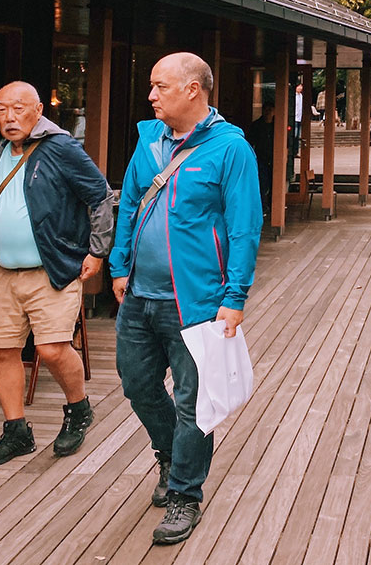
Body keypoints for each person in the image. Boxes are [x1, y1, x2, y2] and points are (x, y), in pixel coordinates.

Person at [110, 53, 263, 545]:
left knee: (195, 403)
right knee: (136, 385)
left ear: (192, 90)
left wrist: (234, 296)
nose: (151, 95)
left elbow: (244, 227)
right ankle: (171, 454)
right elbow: (131, 201)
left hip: (196, 301)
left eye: (160, 86)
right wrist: (119, 263)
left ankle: (184, 495)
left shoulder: (230, 149)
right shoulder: (149, 141)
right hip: (139, 294)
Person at [0, 81, 113, 467]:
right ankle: (16, 429)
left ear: (38, 111)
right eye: (2, 109)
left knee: (51, 348)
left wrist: (97, 251)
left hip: (52, 267)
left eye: (18, 108)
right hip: (3, 270)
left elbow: (100, 196)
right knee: (2, 351)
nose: (9, 117)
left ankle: (78, 408)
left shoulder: (62, 148)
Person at [248, 100, 276, 217]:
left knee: (274, 183)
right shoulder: (256, 125)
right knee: (262, 183)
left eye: (270, 110)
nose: (268, 112)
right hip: (260, 158)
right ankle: (262, 207)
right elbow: (250, 143)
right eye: (266, 110)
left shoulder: (277, 126)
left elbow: (286, 143)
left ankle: (273, 205)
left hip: (274, 158)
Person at [293, 82, 304, 152]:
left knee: (298, 136)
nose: (300, 88)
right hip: (295, 118)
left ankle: (296, 151)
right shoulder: (294, 96)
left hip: (299, 118)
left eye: (301, 86)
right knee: (294, 135)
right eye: (299, 86)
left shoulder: (301, 96)